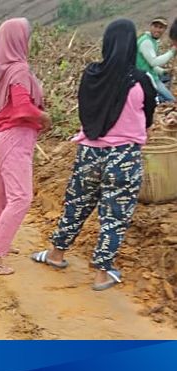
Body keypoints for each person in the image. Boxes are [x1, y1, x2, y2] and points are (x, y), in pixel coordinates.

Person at [30, 19, 156, 291]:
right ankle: (101, 273)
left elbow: (84, 111)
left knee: (75, 205)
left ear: (106, 43)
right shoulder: (141, 81)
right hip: (124, 157)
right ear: (132, 45)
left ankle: (56, 254)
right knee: (115, 215)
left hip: (89, 151)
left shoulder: (91, 75)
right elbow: (148, 119)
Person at [0, 18, 51, 275]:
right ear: (19, 40)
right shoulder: (19, 70)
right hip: (15, 139)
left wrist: (2, 111)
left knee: (0, 197)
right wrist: (43, 117)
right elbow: (24, 106)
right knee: (21, 198)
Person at [136, 17, 176, 103]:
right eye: (155, 26)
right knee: (171, 100)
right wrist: (172, 51)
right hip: (146, 78)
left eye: (161, 27)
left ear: (164, 30)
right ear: (150, 26)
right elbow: (153, 62)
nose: (157, 30)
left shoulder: (152, 41)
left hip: (150, 76)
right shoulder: (146, 42)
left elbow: (148, 64)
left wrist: (163, 71)